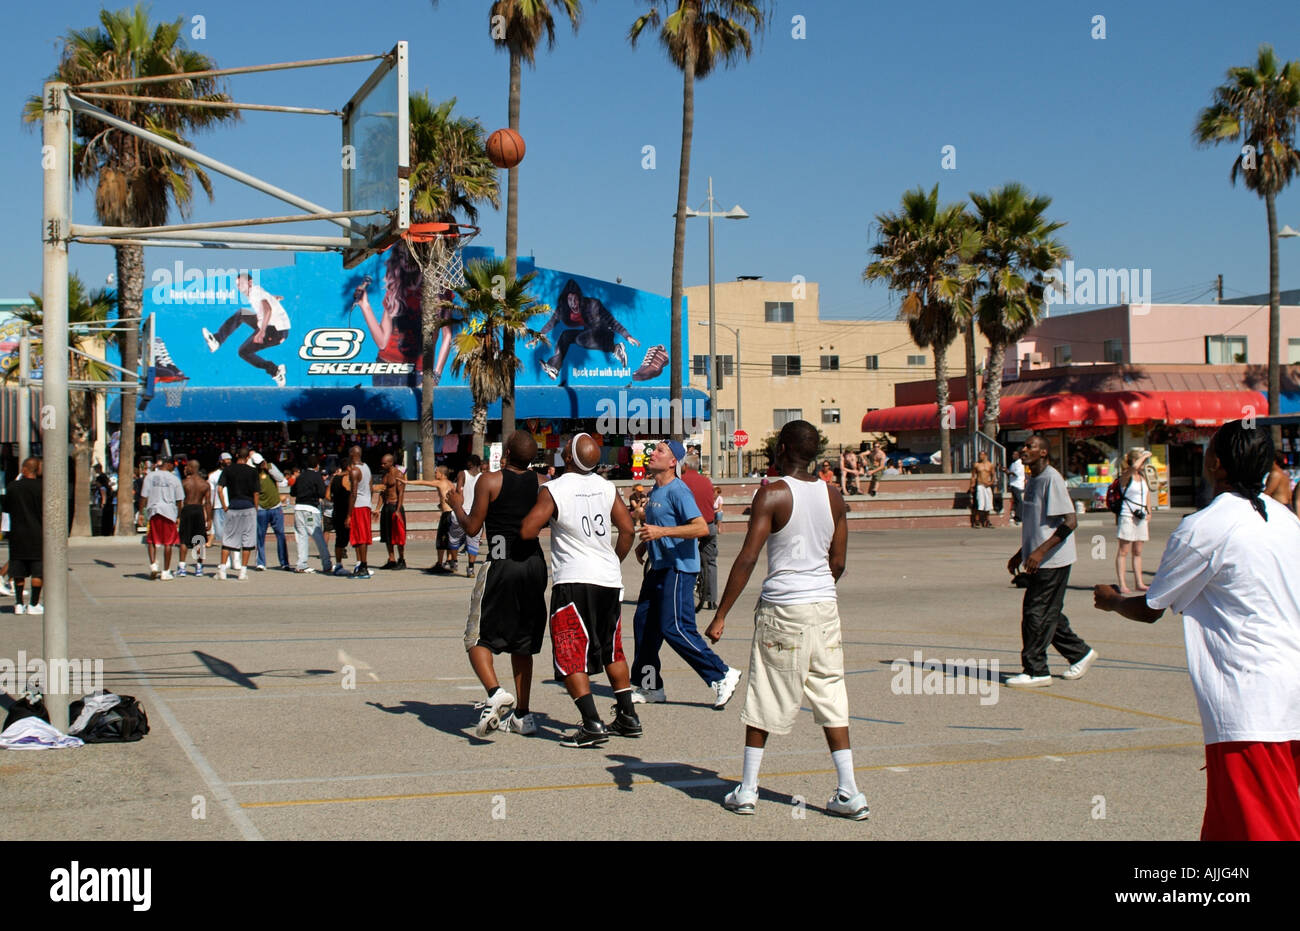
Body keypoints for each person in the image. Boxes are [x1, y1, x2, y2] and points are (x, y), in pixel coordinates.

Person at [1094, 420, 1300, 840]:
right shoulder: (1284, 519)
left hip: (1252, 706)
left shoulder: (1204, 527)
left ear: (1217, 464)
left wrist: (1113, 599)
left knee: (1267, 828)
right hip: (1288, 694)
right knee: (1230, 826)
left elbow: (1152, 608)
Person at [705, 420, 867, 819]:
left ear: (781, 448)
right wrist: (819, 588)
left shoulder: (772, 494)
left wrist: (721, 613)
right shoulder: (833, 495)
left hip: (783, 608)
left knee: (767, 694)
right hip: (824, 607)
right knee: (831, 694)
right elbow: (839, 562)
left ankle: (747, 789)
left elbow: (747, 557)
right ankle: (849, 790)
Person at [521, 432, 641, 748]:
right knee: (612, 647)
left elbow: (528, 529)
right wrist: (612, 560)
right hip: (607, 578)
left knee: (569, 649)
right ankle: (627, 715)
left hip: (574, 579)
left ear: (571, 458)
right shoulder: (606, 487)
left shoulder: (554, 489)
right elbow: (627, 529)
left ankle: (591, 723)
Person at [447, 432, 549, 737]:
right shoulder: (542, 483)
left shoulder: (489, 481)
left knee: (475, 637)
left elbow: (474, 528)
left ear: (505, 453)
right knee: (523, 643)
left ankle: (494, 692)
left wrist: (455, 505)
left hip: (502, 559)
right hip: (533, 562)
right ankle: (524, 715)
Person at [629, 439, 741, 708]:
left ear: (672, 462)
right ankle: (649, 686)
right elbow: (661, 523)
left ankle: (722, 674)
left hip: (679, 569)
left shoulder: (679, 491)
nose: (652, 453)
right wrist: (647, 542)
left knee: (676, 628)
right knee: (644, 625)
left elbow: (701, 528)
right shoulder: (656, 490)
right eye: (653, 449)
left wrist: (661, 533)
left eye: (659, 451)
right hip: (659, 567)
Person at [1005, 435, 1097, 687]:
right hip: (1039, 559)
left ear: (1043, 453)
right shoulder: (1033, 479)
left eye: (1029, 446)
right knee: (1048, 612)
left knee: (1035, 613)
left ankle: (1036, 671)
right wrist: (1022, 552)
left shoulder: (1051, 479)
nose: (1023, 450)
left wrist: (1040, 552)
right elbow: (1041, 525)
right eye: (1024, 445)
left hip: (1053, 561)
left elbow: (1070, 521)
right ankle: (1080, 653)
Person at [529, 278, 640, 382]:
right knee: (566, 335)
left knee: (580, 339)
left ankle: (615, 348)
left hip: (603, 332)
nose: (573, 303)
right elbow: (551, 323)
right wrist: (538, 337)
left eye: (575, 299)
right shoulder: (562, 310)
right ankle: (554, 367)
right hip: (589, 333)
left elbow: (611, 321)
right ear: (566, 300)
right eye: (570, 300)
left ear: (580, 299)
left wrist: (627, 336)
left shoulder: (593, 304)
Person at [202, 272, 290, 386]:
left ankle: (275, 371)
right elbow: (266, 298)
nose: (239, 287)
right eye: (237, 284)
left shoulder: (255, 293)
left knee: (243, 352)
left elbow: (267, 310)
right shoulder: (255, 291)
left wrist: (262, 332)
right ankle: (217, 340)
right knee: (242, 313)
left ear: (250, 283)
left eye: (241, 283)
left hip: (276, 332)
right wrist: (274, 298)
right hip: (272, 326)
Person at [3, 457, 43, 614]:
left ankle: (19, 604)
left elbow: (6, 510)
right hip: (38, 534)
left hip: (17, 534)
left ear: (24, 469)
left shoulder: (13, 487)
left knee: (18, 571)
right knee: (37, 571)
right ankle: (33, 604)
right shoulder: (42, 487)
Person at [680, 454, 719, 611]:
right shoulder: (706, 481)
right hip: (709, 525)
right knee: (710, 561)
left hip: (691, 526)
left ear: (686, 466)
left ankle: (684, 595)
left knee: (683, 558)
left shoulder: (682, 481)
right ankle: (711, 599)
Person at [217, 447, 260, 581]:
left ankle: (223, 571)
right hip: (248, 506)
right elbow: (256, 492)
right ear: (248, 457)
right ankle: (243, 571)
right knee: (247, 540)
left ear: (236, 456)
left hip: (233, 506)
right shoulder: (253, 471)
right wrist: (256, 507)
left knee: (228, 539)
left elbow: (219, 489)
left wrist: (224, 506)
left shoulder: (228, 470)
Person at [1114, 448, 1152, 593]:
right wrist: (1144, 455)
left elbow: (1147, 494)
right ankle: (1122, 583)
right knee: (1124, 550)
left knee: (1138, 551)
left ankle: (1139, 582)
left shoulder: (1142, 477)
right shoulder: (1126, 476)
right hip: (1127, 515)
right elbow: (1135, 467)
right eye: (1143, 461)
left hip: (1141, 516)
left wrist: (1149, 511)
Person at [140, 459, 184, 580]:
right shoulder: (174, 479)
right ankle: (165, 571)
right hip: (168, 512)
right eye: (173, 466)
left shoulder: (150, 476)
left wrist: (141, 513)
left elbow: (143, 495)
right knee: (168, 542)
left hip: (154, 511)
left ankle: (153, 565)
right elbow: (179, 499)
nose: (173, 468)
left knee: (152, 540)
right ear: (169, 465)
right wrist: (179, 516)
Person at [410, 466, 457, 573]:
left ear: (442, 474)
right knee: (450, 538)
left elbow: (423, 482)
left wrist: (406, 482)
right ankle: (449, 560)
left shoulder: (441, 482)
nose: (435, 475)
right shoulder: (450, 484)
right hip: (453, 513)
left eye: (436, 473)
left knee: (441, 539)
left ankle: (440, 563)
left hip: (447, 514)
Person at [291, 454, 333, 574]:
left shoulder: (300, 476)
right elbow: (321, 493)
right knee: (317, 536)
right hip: (311, 508)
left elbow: (293, 492)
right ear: (317, 465)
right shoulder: (316, 476)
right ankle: (326, 563)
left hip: (298, 508)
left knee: (301, 536)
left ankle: (301, 564)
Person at [448, 455, 484, 577]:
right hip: (476, 513)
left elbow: (459, 491)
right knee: (473, 541)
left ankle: (454, 563)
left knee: (454, 538)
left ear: (469, 463)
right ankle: (471, 568)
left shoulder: (462, 474)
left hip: (461, 512)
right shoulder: (483, 477)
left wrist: (457, 505)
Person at [253, 452, 290, 571]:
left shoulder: (271, 467)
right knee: (260, 536)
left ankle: (284, 562)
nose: (261, 465)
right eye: (259, 464)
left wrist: (269, 470)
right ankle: (260, 562)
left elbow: (280, 479)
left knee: (281, 535)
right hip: (261, 508)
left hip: (275, 506)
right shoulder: (254, 473)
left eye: (262, 462)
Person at [177, 460, 211, 577]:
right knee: (199, 540)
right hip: (198, 510)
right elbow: (207, 503)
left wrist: (178, 515)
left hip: (187, 510)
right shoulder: (205, 484)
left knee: (184, 540)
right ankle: (199, 567)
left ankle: (182, 567)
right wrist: (209, 519)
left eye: (187, 467)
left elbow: (180, 501)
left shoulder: (184, 483)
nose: (186, 469)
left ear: (192, 468)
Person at [346, 446, 374, 578]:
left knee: (361, 537)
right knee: (361, 536)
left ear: (352, 454)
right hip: (366, 504)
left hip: (359, 506)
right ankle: (361, 564)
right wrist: (369, 501)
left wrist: (349, 515)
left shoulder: (355, 471)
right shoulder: (366, 467)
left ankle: (364, 566)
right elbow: (371, 487)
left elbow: (353, 493)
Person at [376, 453, 408, 570]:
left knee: (398, 536)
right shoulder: (385, 475)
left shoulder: (398, 474)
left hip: (396, 507)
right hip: (387, 507)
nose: (382, 465)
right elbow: (382, 493)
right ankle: (391, 559)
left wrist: (398, 510)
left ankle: (402, 559)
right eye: (382, 463)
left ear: (391, 463)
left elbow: (401, 494)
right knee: (387, 535)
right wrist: (377, 509)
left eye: (385, 463)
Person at [326, 461, 352, 577]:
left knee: (339, 539)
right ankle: (360, 564)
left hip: (336, 511)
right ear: (349, 467)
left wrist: (335, 501)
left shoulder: (334, 478)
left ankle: (338, 564)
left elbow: (327, 496)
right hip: (347, 512)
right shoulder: (349, 479)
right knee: (354, 539)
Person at [207, 452, 231, 547]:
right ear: (221, 461)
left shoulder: (233, 472)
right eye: (226, 459)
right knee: (219, 531)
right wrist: (210, 507)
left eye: (230, 459)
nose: (228, 461)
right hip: (218, 506)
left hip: (231, 505)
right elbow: (212, 492)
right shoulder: (213, 475)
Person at [969, 450, 996, 528]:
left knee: (988, 504)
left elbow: (994, 475)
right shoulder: (977, 465)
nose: (980, 456)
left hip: (987, 486)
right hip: (980, 485)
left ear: (985, 455)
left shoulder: (990, 465)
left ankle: (987, 521)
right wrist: (972, 485)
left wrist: (991, 482)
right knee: (979, 503)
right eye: (979, 455)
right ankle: (977, 521)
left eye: (982, 455)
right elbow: (973, 476)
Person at [1006, 448, 1025, 525]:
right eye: (1013, 454)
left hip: (1018, 484)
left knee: (1019, 501)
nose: (1013, 456)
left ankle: (1019, 517)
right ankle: (1016, 515)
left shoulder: (1020, 463)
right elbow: (1010, 473)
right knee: (1015, 501)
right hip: (1013, 484)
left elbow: (1015, 474)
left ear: (1019, 455)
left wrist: (1008, 472)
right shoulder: (1013, 464)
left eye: (1015, 454)